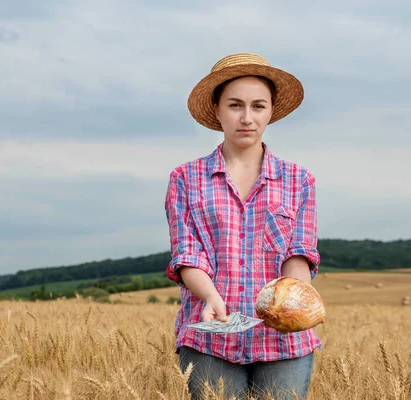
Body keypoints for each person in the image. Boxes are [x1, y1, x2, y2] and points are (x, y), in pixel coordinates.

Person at [164, 53, 322, 400]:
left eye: (258, 106)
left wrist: (294, 300)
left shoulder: (299, 180)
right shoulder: (186, 179)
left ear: (271, 111)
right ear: (217, 109)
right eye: (235, 105)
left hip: (284, 340)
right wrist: (210, 297)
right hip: (210, 336)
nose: (247, 118)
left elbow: (299, 252)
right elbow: (188, 254)